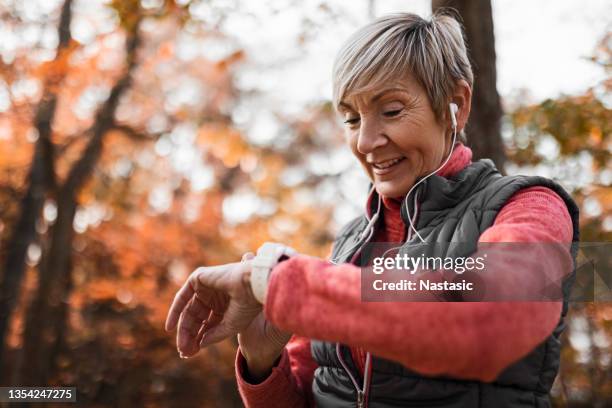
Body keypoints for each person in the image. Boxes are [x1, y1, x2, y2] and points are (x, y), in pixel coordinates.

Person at [165, 11, 579, 407]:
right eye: (350, 119)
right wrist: (262, 360)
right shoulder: (350, 241)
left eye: (391, 111)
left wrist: (275, 281)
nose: (365, 141)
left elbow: (491, 316)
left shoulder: (529, 206)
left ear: (456, 104)